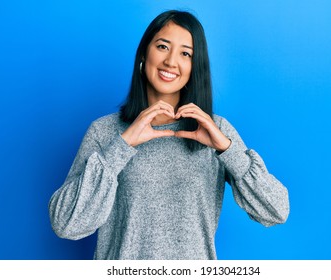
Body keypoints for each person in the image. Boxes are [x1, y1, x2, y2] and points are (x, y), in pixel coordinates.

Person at [48, 10, 290, 260]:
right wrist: (122, 146)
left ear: (194, 67)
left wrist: (228, 151)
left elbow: (276, 210)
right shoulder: (105, 131)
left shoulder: (215, 131)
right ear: (144, 53)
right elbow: (66, 224)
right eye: (163, 46)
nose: (171, 62)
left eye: (186, 53)